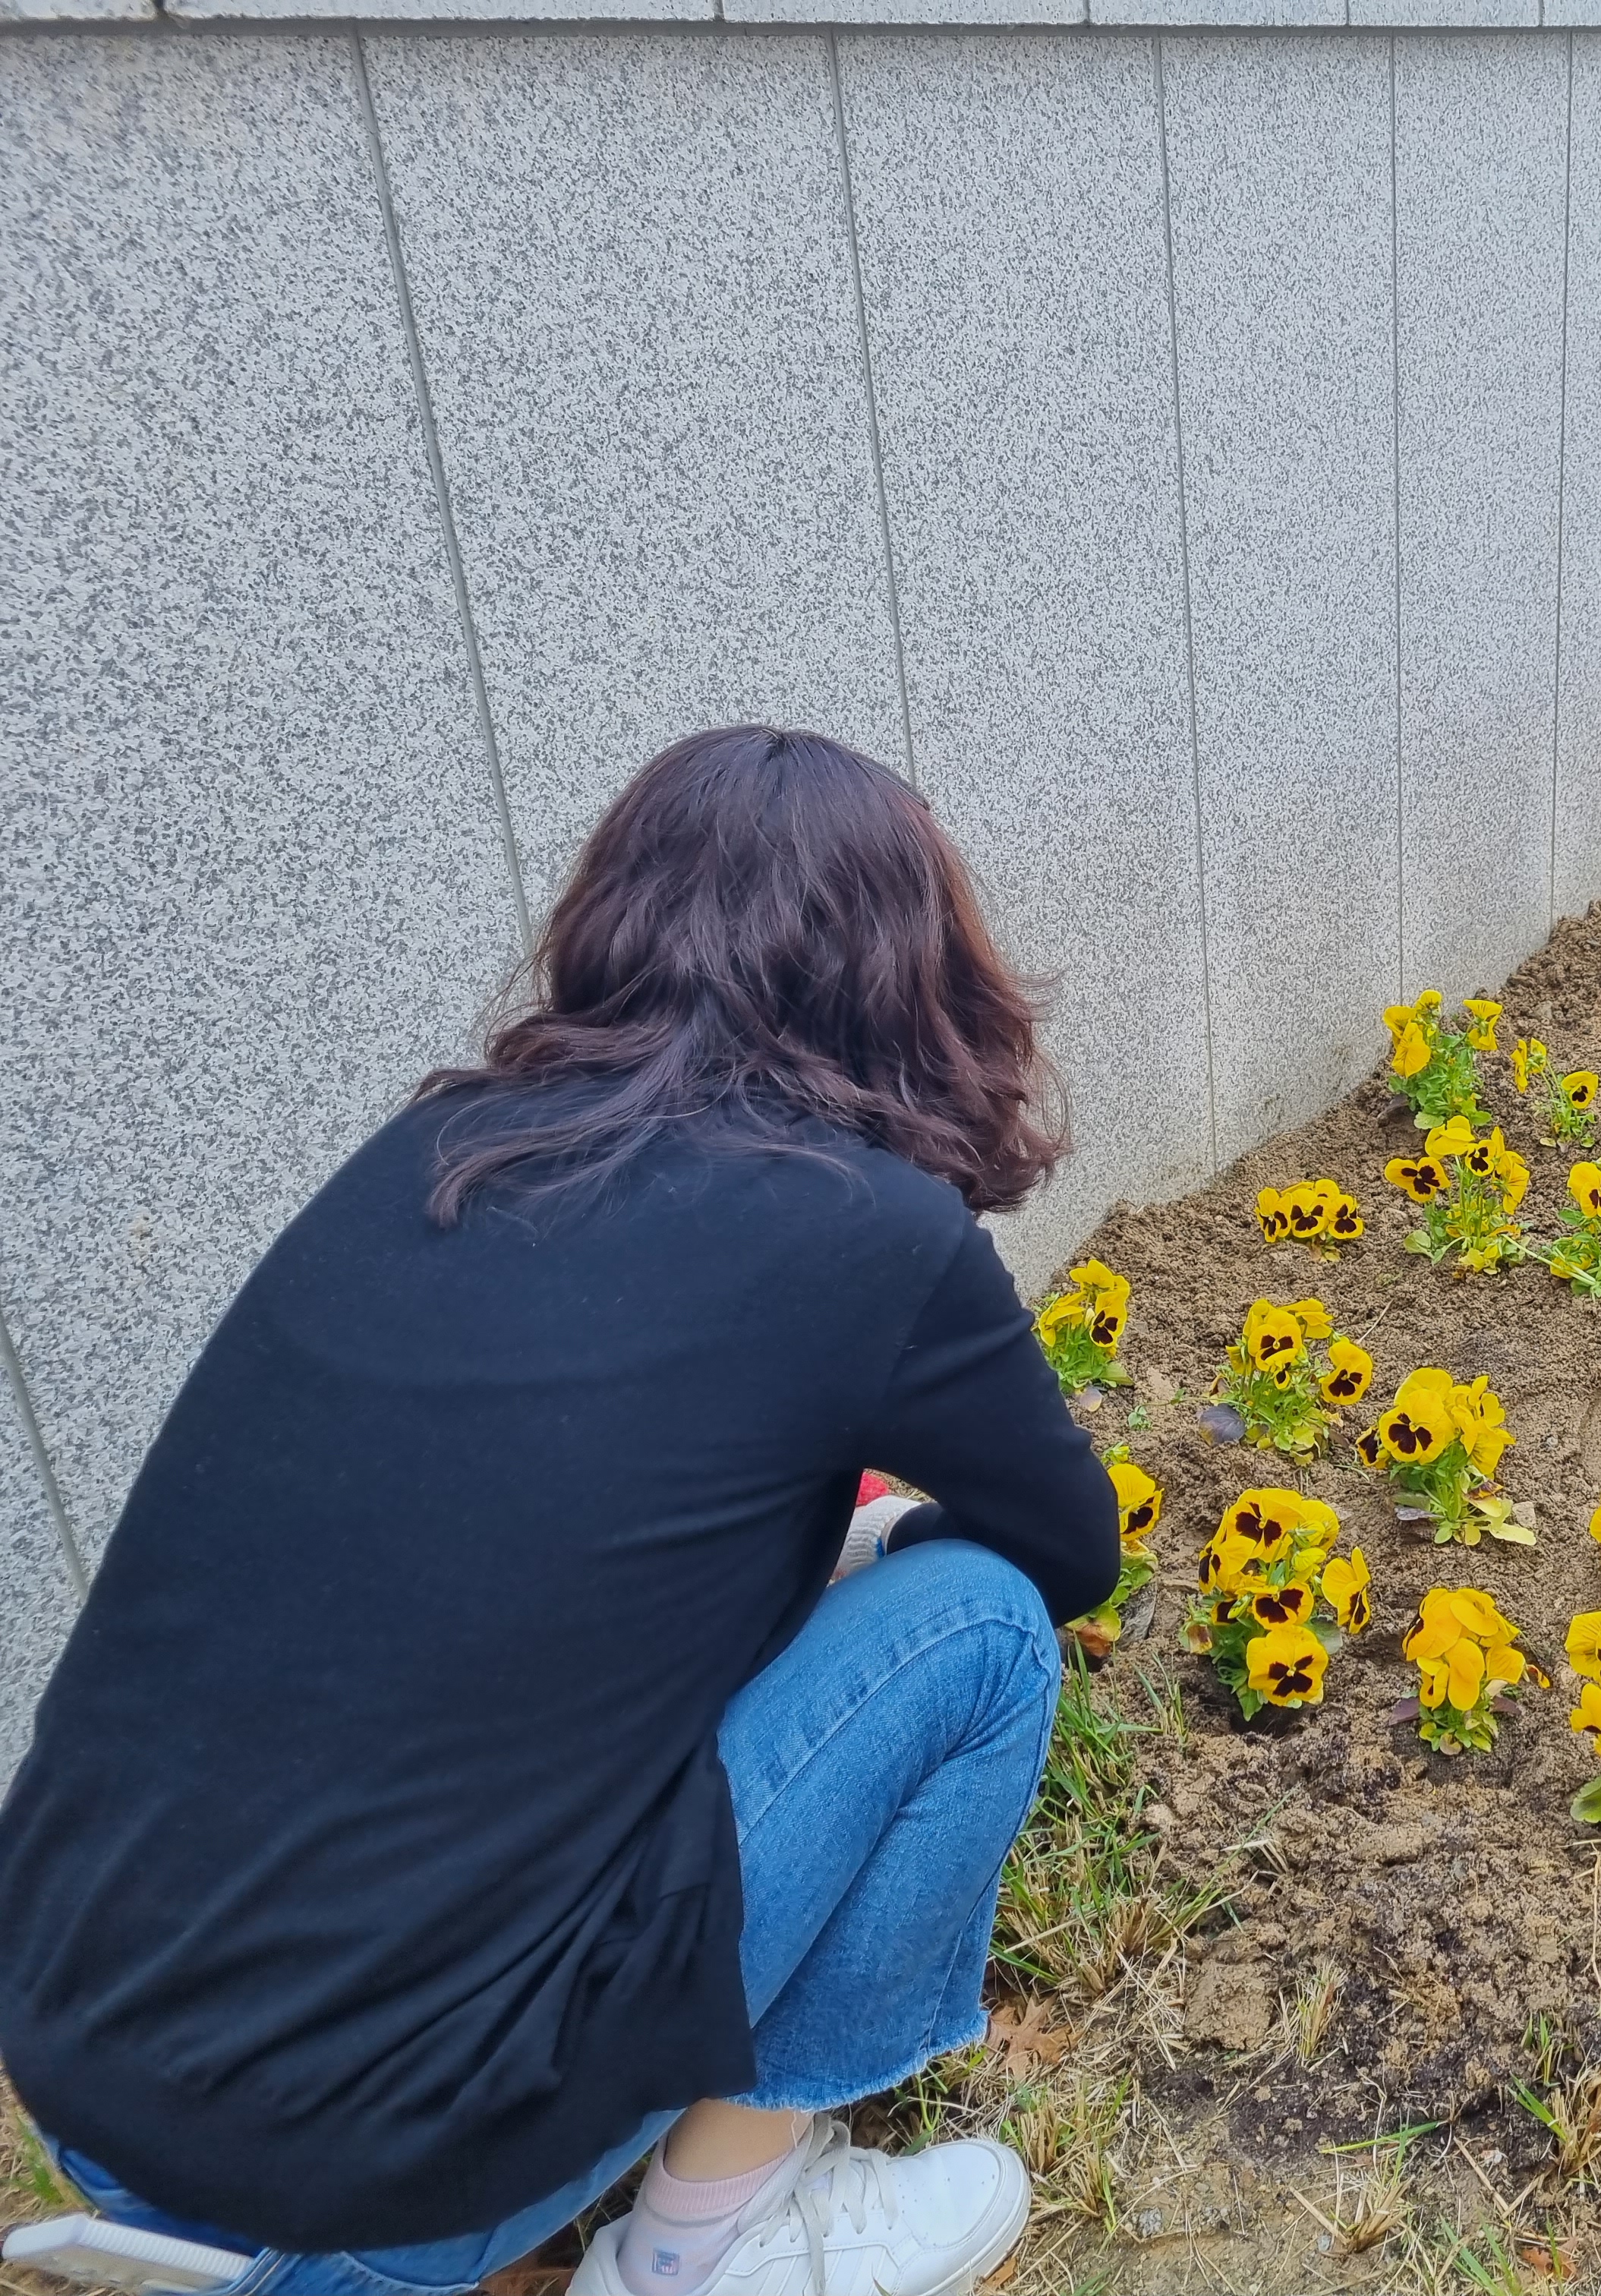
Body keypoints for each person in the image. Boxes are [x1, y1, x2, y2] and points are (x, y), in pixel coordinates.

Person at [0, 727, 1122, 2294]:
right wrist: (875, 1555)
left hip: (81, 2070)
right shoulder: (870, 1236)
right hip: (374, 2179)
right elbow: (1070, 1552)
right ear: (913, 968)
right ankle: (715, 2238)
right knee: (982, 1634)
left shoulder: (433, 1153)